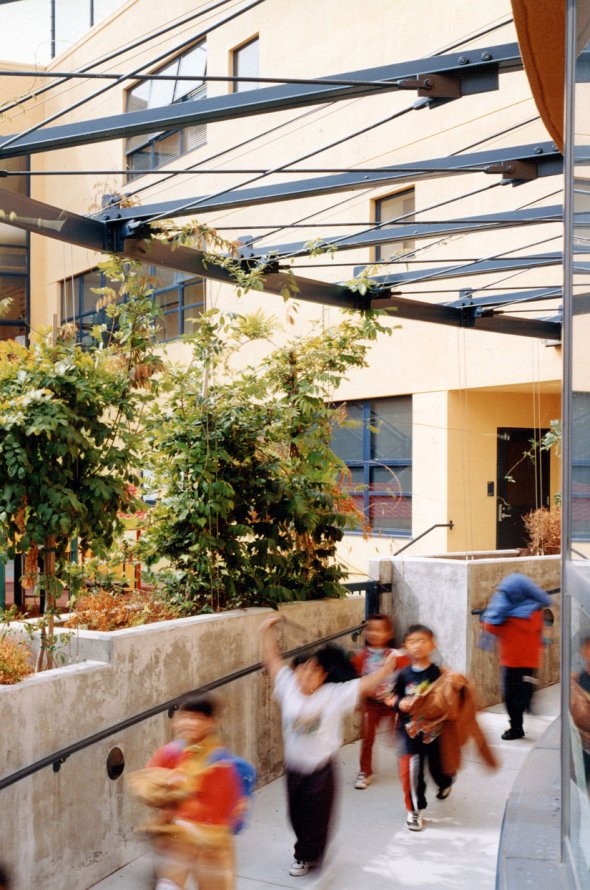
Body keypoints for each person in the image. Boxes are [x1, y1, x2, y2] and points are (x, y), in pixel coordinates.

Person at [259, 614, 399, 878]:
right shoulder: (287, 685)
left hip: (322, 769)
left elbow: (365, 684)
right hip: (294, 768)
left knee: (318, 816)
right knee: (296, 815)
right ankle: (309, 850)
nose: (307, 675)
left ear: (323, 676)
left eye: (314, 671)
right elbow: (273, 660)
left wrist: (386, 670)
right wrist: (267, 630)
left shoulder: (333, 694)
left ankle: (306, 855)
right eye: (302, 669)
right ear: (295, 672)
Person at [129, 694, 241, 890]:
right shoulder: (170, 753)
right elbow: (144, 782)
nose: (190, 723)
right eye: (186, 717)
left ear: (210, 723)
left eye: (197, 719)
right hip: (177, 840)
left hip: (210, 844)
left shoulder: (221, 761)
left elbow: (224, 806)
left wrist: (177, 791)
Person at [388, 624, 454, 832]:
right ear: (405, 646)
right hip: (409, 732)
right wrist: (400, 704)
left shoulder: (439, 673)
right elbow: (390, 697)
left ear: (432, 644)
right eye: (412, 642)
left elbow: (450, 697)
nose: (417, 646)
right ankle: (415, 810)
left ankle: (445, 782)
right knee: (412, 772)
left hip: (434, 732)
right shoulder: (403, 674)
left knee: (438, 768)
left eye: (422, 641)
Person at [482, 572, 552, 740]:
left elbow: (491, 628)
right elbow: (542, 629)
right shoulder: (535, 612)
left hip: (512, 663)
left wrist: (491, 614)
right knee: (519, 692)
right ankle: (520, 716)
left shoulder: (503, 615)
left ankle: (516, 725)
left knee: (510, 696)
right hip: (525, 663)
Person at [351, 613, 410, 790]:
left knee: (400, 736)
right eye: (370, 629)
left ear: (389, 634)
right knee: (368, 737)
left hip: (392, 703)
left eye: (379, 630)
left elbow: (409, 675)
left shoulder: (396, 655)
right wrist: (357, 699)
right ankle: (365, 771)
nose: (373, 633)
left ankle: (406, 763)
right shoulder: (362, 656)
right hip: (371, 703)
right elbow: (355, 679)